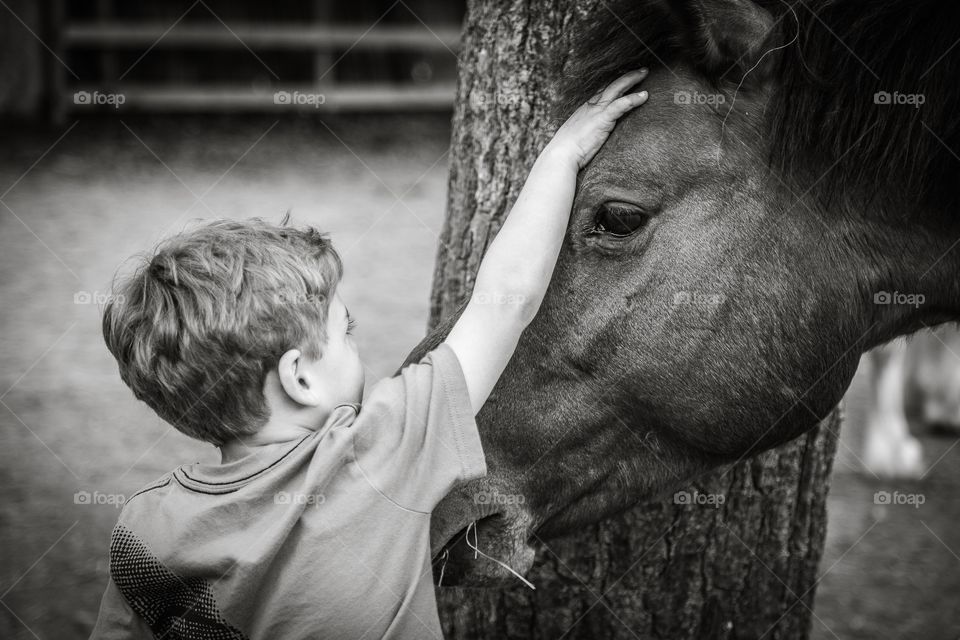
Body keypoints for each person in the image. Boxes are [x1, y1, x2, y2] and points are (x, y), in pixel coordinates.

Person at [91, 69, 649, 640]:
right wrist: (564, 154)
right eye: (345, 330)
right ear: (299, 378)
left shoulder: (145, 529)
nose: (358, 343)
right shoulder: (380, 454)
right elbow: (504, 303)